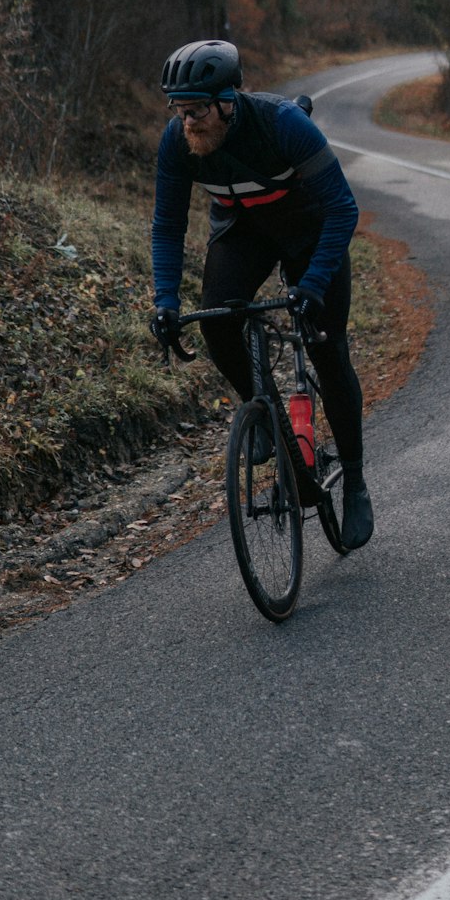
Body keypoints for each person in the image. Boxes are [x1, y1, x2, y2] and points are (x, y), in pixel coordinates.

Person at [149, 39, 374, 549]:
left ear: (229, 100)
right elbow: (167, 225)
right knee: (215, 321)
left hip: (310, 230)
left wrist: (313, 286)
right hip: (243, 233)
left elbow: (343, 209)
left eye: (198, 109)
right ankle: (260, 412)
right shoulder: (177, 142)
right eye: (179, 110)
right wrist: (165, 299)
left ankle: (356, 481)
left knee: (327, 348)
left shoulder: (282, 125)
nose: (188, 122)